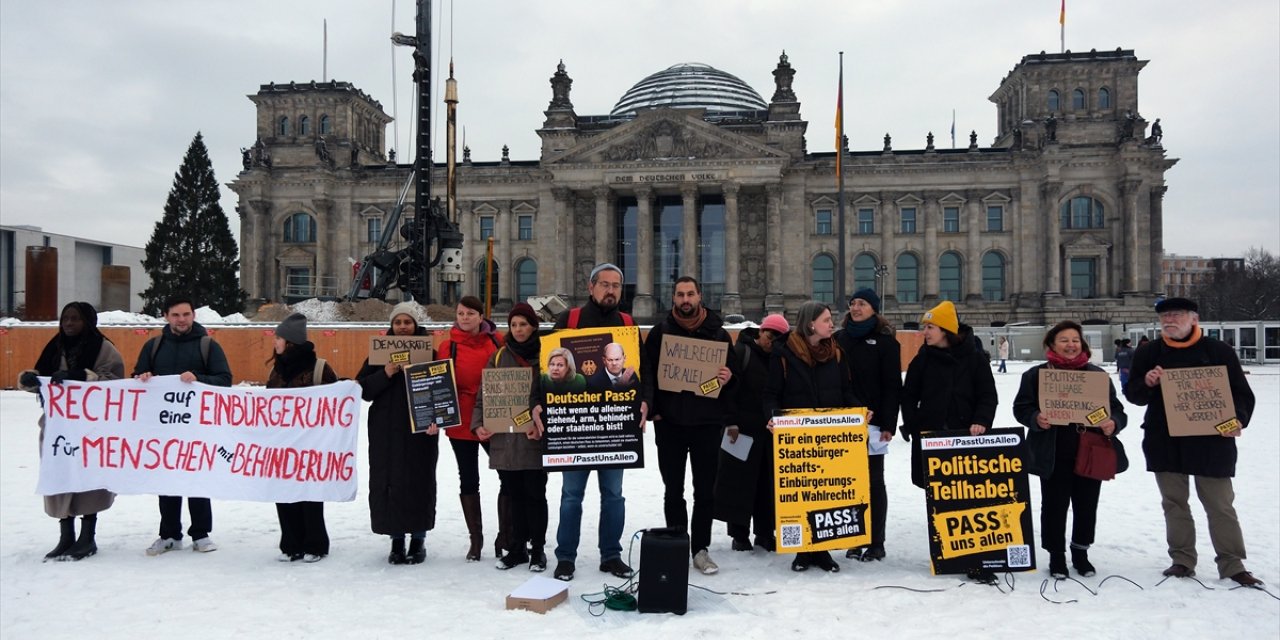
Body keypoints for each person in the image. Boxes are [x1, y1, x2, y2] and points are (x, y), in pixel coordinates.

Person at [1124, 297, 1261, 586]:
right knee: (1174, 503)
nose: (1169, 321)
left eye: (1176, 315)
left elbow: (1242, 394)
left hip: (1212, 440)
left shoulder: (1217, 350)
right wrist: (1146, 383)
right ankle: (1182, 560)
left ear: (1194, 319)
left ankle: (1232, 563)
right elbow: (1133, 395)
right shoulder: (1149, 353)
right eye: (1164, 317)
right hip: (1165, 439)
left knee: (1220, 505)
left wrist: (1237, 418)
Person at [541, 263, 647, 582]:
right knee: (572, 495)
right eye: (605, 284)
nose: (611, 290)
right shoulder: (569, 320)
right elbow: (547, 367)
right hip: (575, 429)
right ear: (591, 287)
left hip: (614, 429)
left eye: (617, 285)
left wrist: (645, 401)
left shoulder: (627, 325)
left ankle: (611, 555)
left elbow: (645, 374)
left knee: (613, 495)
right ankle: (565, 557)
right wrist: (538, 403)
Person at [1014, 321, 1128, 578]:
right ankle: (1056, 556)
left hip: (1090, 451)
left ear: (1082, 343)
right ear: (1052, 344)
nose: (1070, 345)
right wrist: (1036, 419)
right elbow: (1021, 408)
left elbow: (1117, 410)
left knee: (1087, 505)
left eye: (1075, 340)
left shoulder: (1097, 375)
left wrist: (1114, 423)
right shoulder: (1036, 375)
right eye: (1064, 340)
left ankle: (1081, 552)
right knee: (1054, 506)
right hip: (1053, 453)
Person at [642, 276, 736, 575]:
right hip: (669, 424)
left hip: (707, 424)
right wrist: (654, 410)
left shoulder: (719, 335)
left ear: (700, 296)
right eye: (680, 294)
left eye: (690, 294)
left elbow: (735, 382)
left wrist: (728, 378)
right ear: (673, 299)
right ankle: (677, 541)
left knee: (705, 491)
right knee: (673, 489)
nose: (685, 299)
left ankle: (701, 549)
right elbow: (647, 376)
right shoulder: (659, 333)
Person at [17, 302, 123, 561]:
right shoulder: (55, 347)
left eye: (75, 319)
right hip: (58, 428)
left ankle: (87, 537)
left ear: (88, 321)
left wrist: (82, 376)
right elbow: (43, 378)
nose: (69, 324)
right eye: (65, 319)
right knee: (60, 477)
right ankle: (66, 536)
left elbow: (114, 383)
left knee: (88, 480)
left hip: (90, 428)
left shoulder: (104, 348)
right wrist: (30, 379)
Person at [763, 301, 858, 573]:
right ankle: (804, 550)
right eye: (827, 319)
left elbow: (846, 390)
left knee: (826, 494)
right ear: (810, 324)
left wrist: (858, 411)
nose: (832, 323)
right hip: (797, 441)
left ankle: (822, 549)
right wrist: (771, 416)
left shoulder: (837, 353)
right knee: (802, 492)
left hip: (829, 439)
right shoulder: (783, 353)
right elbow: (771, 394)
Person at [133, 296, 232, 556]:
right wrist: (143, 377)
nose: (182, 320)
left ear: (194, 316)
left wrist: (199, 378)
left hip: (198, 428)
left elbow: (224, 380)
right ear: (166, 316)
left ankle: (200, 534)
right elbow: (137, 378)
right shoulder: (153, 346)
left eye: (186, 314)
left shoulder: (208, 345)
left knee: (197, 480)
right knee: (166, 482)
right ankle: (169, 535)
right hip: (163, 429)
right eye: (176, 315)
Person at [357, 303, 439, 565]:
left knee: (419, 482)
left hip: (421, 431)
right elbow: (364, 391)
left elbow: (443, 390)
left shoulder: (430, 353)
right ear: (391, 326)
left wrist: (438, 420)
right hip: (386, 432)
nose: (403, 327)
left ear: (416, 325)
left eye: (408, 322)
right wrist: (386, 373)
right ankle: (396, 539)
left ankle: (418, 539)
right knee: (389, 483)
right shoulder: (377, 355)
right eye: (398, 322)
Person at [471, 303, 549, 572]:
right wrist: (479, 423)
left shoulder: (546, 354)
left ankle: (537, 549)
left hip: (534, 437)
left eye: (524, 324)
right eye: (514, 325)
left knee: (535, 495)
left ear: (534, 327)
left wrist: (543, 423)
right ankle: (516, 548)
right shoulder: (499, 355)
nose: (518, 330)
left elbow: (554, 395)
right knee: (513, 495)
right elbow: (484, 394)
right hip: (505, 439)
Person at [834, 289, 901, 562]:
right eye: (852, 303)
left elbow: (892, 386)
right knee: (850, 483)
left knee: (874, 483)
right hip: (844, 422)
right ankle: (854, 538)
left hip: (874, 425)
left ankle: (876, 540)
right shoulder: (838, 339)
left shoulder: (886, 342)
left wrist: (888, 423)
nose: (856, 307)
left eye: (862, 303)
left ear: (874, 308)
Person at [901, 301, 998, 489]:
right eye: (924, 327)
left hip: (966, 435)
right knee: (936, 490)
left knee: (966, 488)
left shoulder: (975, 359)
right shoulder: (922, 360)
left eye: (930, 327)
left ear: (945, 329)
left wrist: (981, 420)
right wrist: (914, 426)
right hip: (930, 437)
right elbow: (909, 396)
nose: (925, 332)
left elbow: (987, 395)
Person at [436, 295, 503, 562]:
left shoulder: (497, 342)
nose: (464, 318)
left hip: (492, 419)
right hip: (461, 421)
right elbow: (438, 386)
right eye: (461, 313)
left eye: (470, 314)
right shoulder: (447, 346)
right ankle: (476, 539)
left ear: (480, 317)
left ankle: (505, 536)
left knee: (506, 476)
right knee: (468, 478)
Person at [267, 313, 338, 563]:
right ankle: (290, 544)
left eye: (278, 337)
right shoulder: (277, 371)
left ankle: (315, 544)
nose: (274, 342)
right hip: (282, 444)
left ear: (290, 341)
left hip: (311, 445)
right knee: (284, 492)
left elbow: (334, 403)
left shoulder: (319, 368)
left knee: (309, 495)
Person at [718, 314, 790, 554]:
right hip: (741, 430)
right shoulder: (741, 353)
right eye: (770, 336)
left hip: (769, 432)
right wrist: (730, 423)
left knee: (767, 485)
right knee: (738, 484)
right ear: (761, 332)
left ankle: (765, 533)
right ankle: (739, 535)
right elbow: (727, 391)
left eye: (777, 339)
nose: (772, 342)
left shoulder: (781, 359)